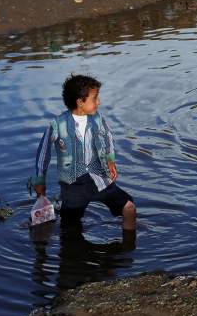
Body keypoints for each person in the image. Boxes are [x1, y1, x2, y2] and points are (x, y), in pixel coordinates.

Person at [31, 74, 136, 230]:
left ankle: (128, 247)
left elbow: (107, 138)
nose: (99, 102)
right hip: (73, 186)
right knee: (70, 226)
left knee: (129, 207)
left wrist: (110, 160)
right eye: (95, 98)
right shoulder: (57, 125)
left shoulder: (98, 120)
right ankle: (68, 242)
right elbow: (43, 155)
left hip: (99, 178)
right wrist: (40, 182)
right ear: (80, 102)